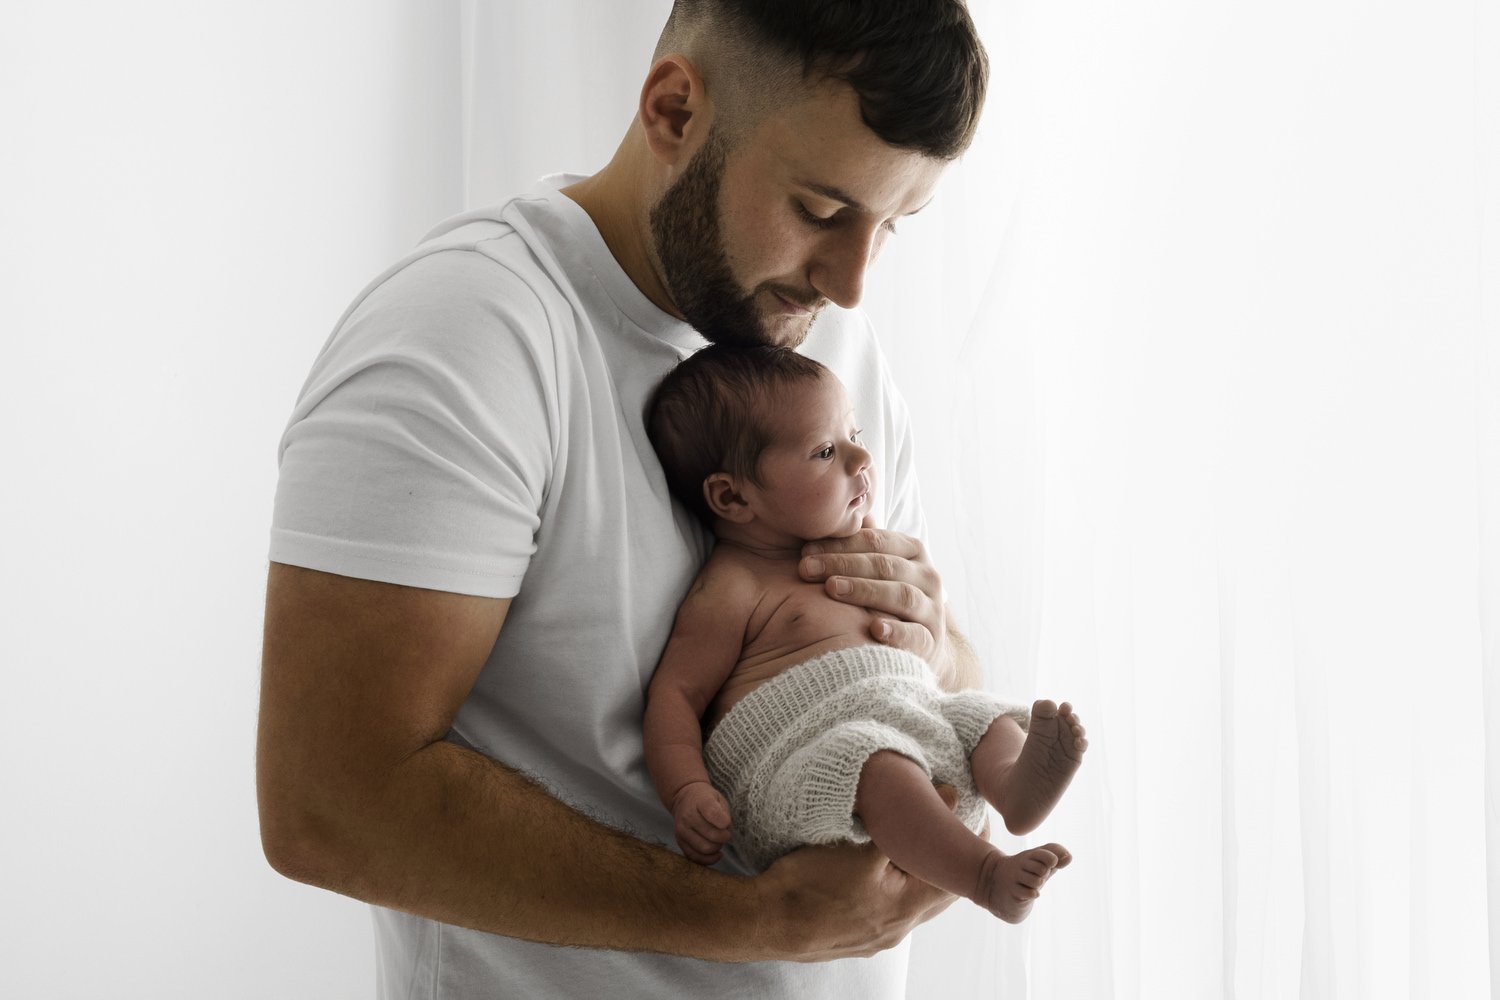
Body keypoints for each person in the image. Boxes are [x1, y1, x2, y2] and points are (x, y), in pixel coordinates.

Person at [259, 1, 1003, 996]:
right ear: (673, 108)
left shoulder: (827, 342)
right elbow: (328, 802)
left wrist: (932, 630)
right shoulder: (467, 338)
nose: (853, 281)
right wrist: (757, 921)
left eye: (889, 227)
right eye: (823, 212)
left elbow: (928, 670)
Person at [643, 344, 1086, 923]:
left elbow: (941, 660)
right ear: (733, 497)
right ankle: (985, 872)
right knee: (874, 761)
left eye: (853, 433)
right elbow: (676, 696)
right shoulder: (733, 585)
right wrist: (686, 790)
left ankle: (1013, 788)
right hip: (807, 756)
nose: (861, 458)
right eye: (825, 451)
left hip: (907, 715)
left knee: (982, 716)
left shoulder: (866, 545)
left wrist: (935, 643)